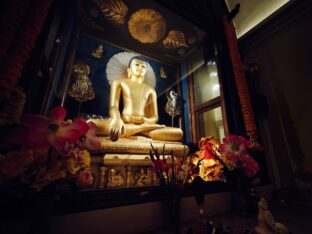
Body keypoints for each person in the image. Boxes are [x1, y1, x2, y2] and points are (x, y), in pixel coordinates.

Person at [90, 56, 183, 141]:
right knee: (90, 124)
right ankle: (138, 131)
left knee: (178, 132)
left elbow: (154, 117)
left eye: (143, 67)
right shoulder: (119, 82)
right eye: (137, 65)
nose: (140, 68)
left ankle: (136, 130)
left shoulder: (151, 90)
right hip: (124, 123)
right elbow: (113, 106)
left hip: (144, 124)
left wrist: (144, 121)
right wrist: (116, 119)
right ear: (129, 70)